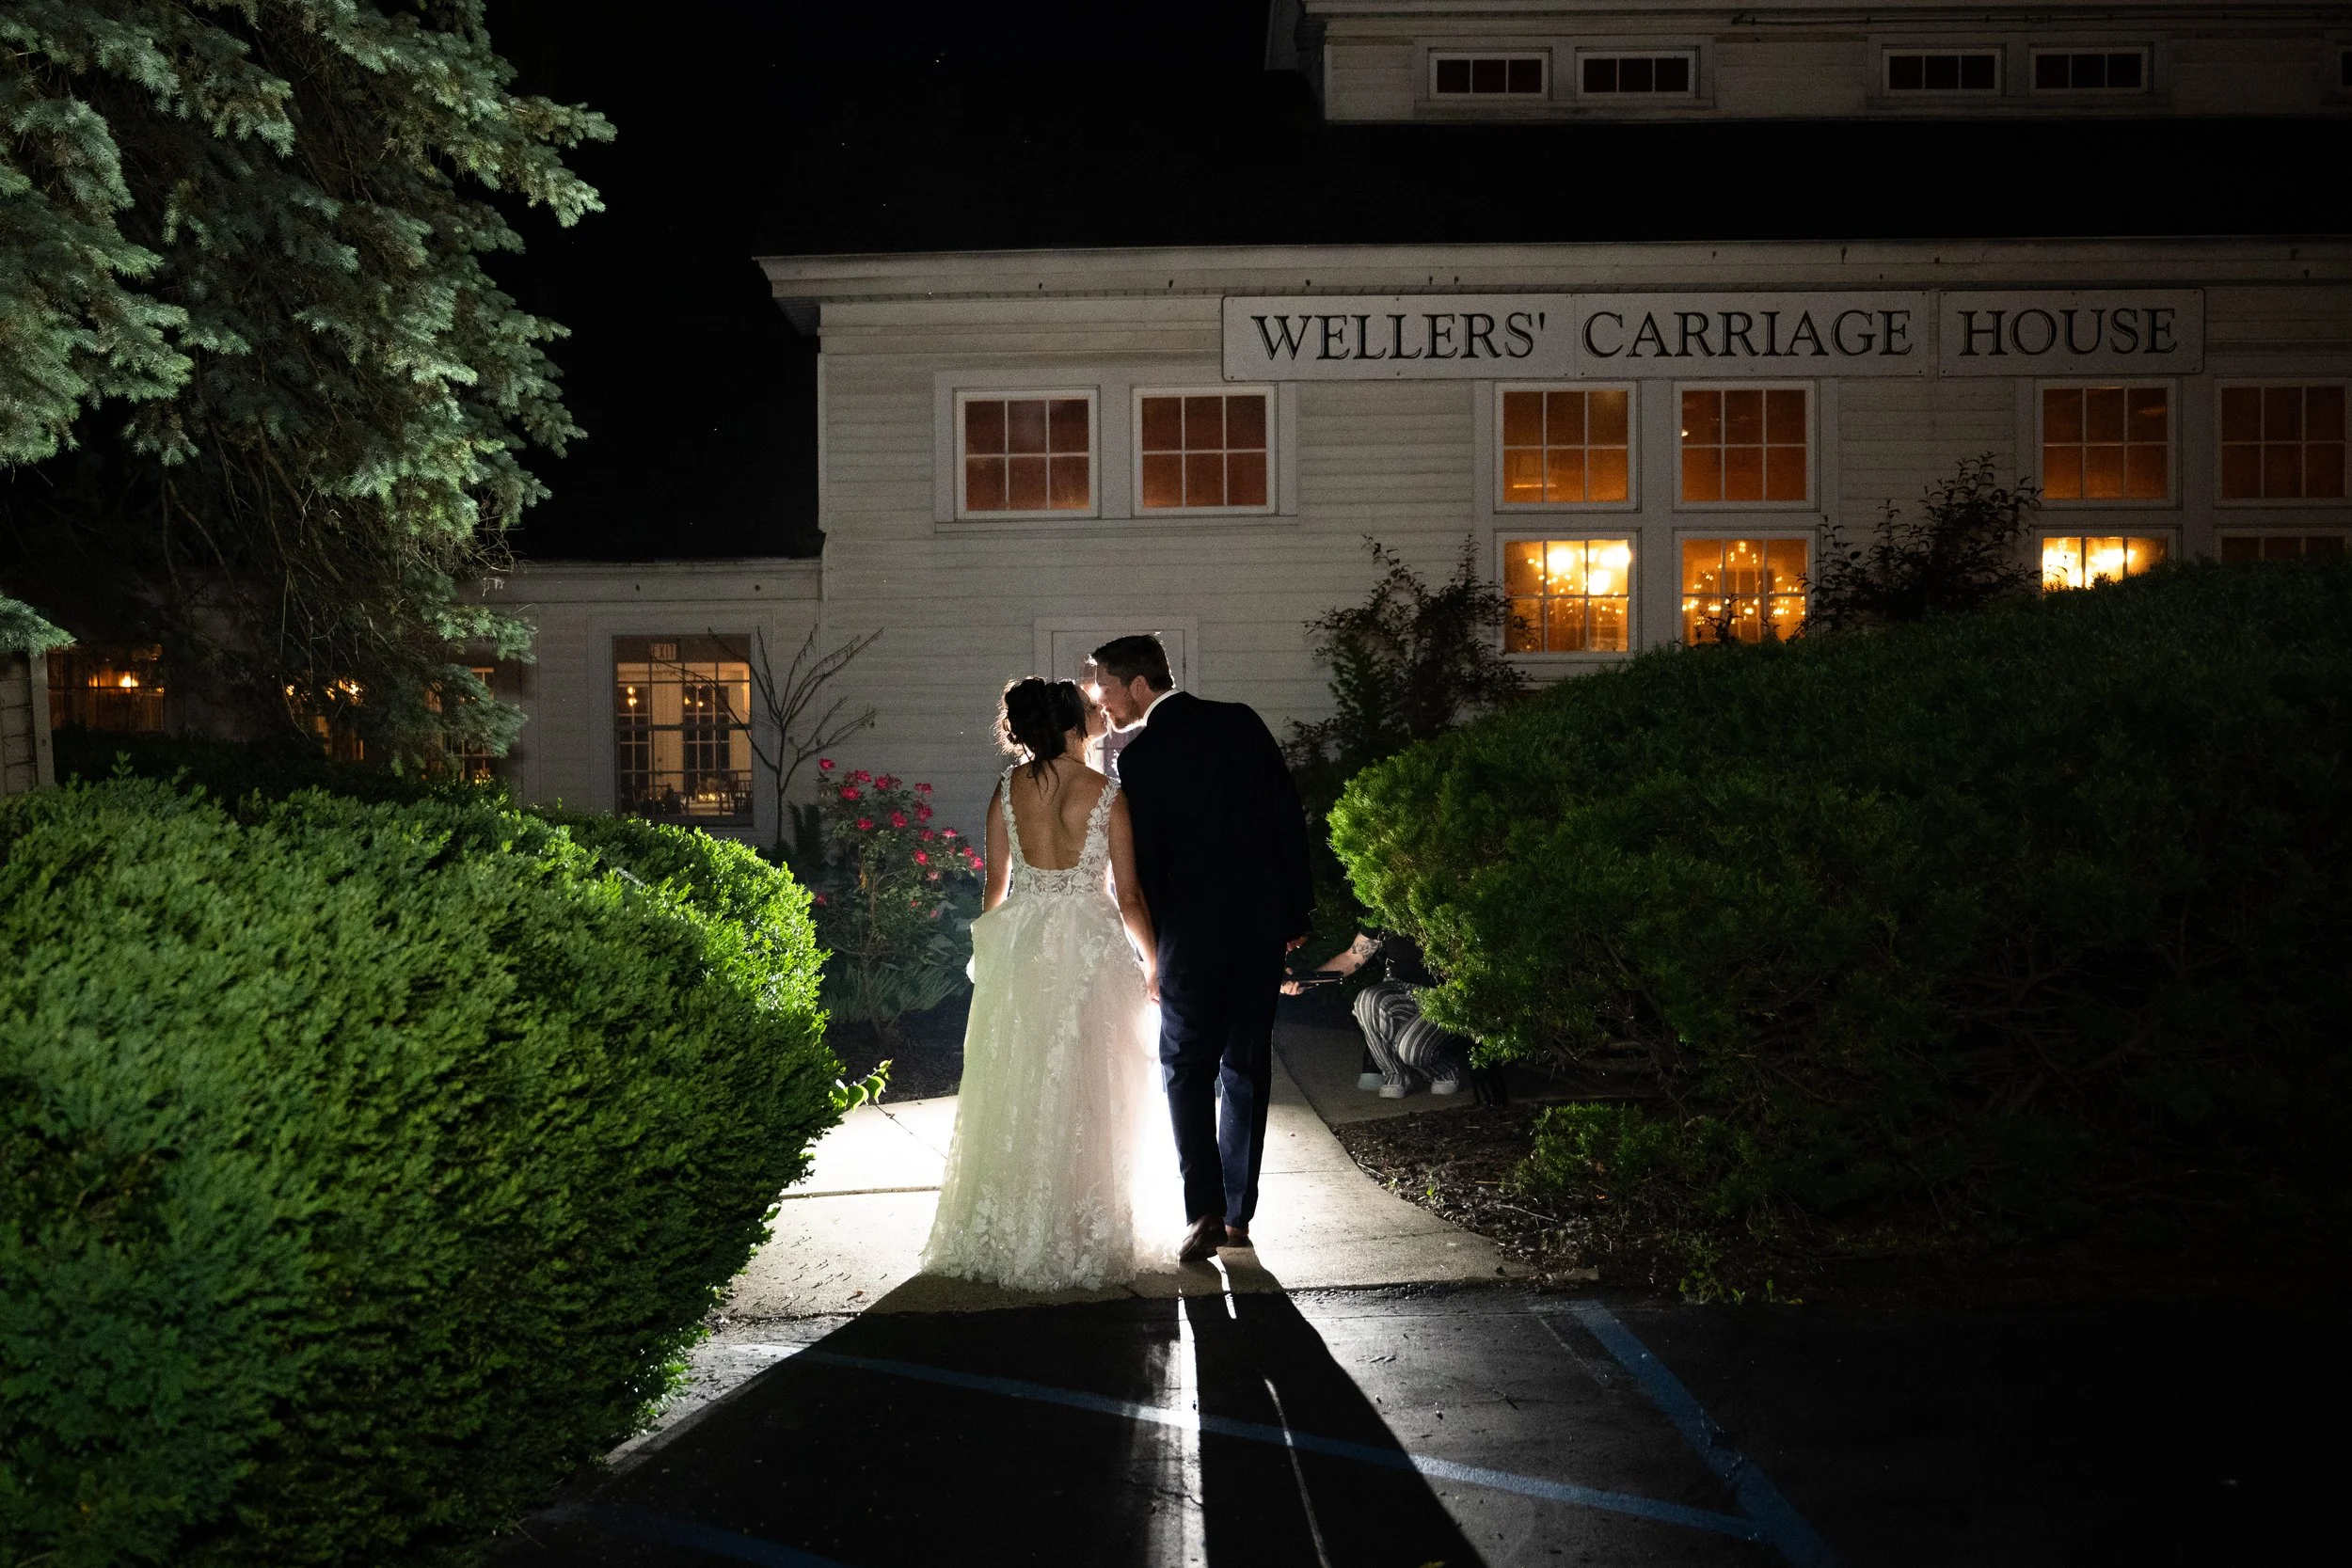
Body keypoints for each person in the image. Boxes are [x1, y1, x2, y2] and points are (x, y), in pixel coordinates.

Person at [919, 677, 1176, 1291]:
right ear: (1073, 724)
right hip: (1088, 946)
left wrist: (999, 952)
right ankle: (1081, 1226)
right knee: (1092, 1087)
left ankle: (1018, 1222)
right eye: (1090, 710)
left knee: (1024, 1083)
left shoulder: (1006, 789)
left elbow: (994, 890)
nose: (1097, 715)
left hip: (1024, 947)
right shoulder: (1107, 792)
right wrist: (1153, 961)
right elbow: (1131, 895)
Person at [1092, 634, 1314, 1263]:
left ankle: (1205, 1211)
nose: (1101, 701)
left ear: (1138, 684)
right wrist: (1293, 911)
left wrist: (1154, 952)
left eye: (1105, 686)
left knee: (1185, 1069)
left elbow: (1149, 868)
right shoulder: (1241, 721)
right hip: (1258, 929)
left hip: (1190, 940)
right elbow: (1284, 813)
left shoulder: (1141, 759)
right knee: (1246, 1066)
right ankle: (1240, 1218)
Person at [1283, 931, 1471, 1099]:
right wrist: (1307, 980)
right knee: (1367, 999)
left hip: (1442, 992)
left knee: (1411, 1051)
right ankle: (1395, 1073)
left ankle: (1444, 1069)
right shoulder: (1384, 906)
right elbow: (1352, 957)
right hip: (1400, 988)